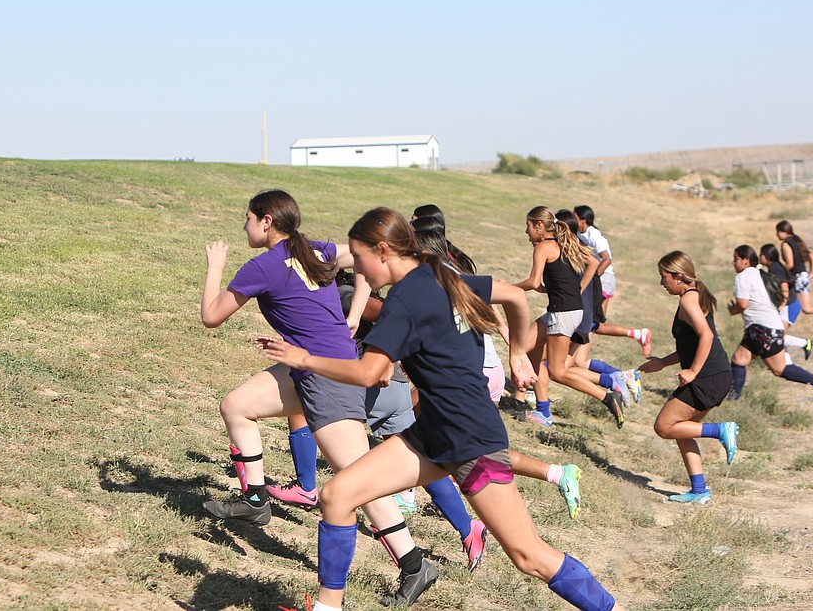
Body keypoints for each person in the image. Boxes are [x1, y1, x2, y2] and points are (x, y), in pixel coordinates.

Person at [260, 208, 616, 611]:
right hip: (431, 431)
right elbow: (515, 297)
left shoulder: (405, 300)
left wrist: (304, 359)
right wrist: (517, 353)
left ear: (382, 251)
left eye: (359, 259)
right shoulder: (440, 270)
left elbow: (367, 373)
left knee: (528, 555)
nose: (357, 269)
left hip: (469, 437)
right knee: (338, 495)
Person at [198, 189, 425, 600]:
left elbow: (211, 316)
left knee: (357, 478)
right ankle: (255, 498)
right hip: (306, 365)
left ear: (267, 222)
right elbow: (360, 256)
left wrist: (214, 267)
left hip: (328, 376)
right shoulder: (317, 250)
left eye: (248, 218)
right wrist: (352, 312)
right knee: (237, 405)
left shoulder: (263, 265)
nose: (244, 225)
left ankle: (414, 566)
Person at [273, 268, 491, 572]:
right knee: (419, 462)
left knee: (308, 405)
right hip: (388, 387)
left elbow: (389, 314)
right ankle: (468, 528)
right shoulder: (352, 296)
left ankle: (307, 485)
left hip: (376, 388)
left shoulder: (343, 295)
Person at [414, 224, 585, 520]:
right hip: (485, 373)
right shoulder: (453, 280)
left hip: (475, 376)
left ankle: (552, 476)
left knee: (465, 450)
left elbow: (512, 297)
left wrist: (516, 351)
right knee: (471, 451)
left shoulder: (443, 282)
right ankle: (554, 475)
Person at [639, 251, 738, 504]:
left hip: (707, 377)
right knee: (682, 431)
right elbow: (691, 345)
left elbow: (707, 337)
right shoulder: (694, 293)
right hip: (717, 375)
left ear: (678, 276)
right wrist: (663, 362)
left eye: (664, 277)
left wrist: (692, 371)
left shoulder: (688, 301)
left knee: (664, 426)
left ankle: (720, 430)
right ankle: (699, 490)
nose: (662, 283)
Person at [514, 207, 627, 429]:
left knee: (557, 371)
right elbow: (594, 263)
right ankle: (543, 411)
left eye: (528, 226)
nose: (526, 232)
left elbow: (533, 282)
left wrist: (504, 288)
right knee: (526, 348)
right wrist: (576, 290)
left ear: (538, 226)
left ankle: (607, 396)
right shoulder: (565, 242)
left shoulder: (544, 247)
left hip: (563, 313)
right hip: (570, 310)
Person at [727, 245, 813, 407]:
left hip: (762, 328)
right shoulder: (760, 273)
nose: (733, 263)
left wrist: (733, 310)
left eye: (736, 259)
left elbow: (742, 303)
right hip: (766, 326)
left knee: (779, 369)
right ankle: (731, 402)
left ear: (746, 261)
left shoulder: (743, 277)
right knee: (739, 359)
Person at [573, 204, 652, 356]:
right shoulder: (581, 233)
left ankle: (576, 356)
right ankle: (638, 334)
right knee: (596, 323)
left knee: (590, 319)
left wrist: (593, 278)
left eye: (574, 217)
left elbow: (606, 259)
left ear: (583, 220)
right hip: (600, 279)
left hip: (604, 279)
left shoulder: (594, 235)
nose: (572, 219)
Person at [759, 243, 813, 360]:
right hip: (788, 305)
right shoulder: (774, 267)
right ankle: (789, 361)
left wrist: (782, 305)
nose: (759, 257)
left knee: (778, 336)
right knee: (778, 336)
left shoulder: (775, 269)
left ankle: (804, 345)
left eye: (761, 255)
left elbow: (784, 285)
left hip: (789, 306)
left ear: (766, 256)